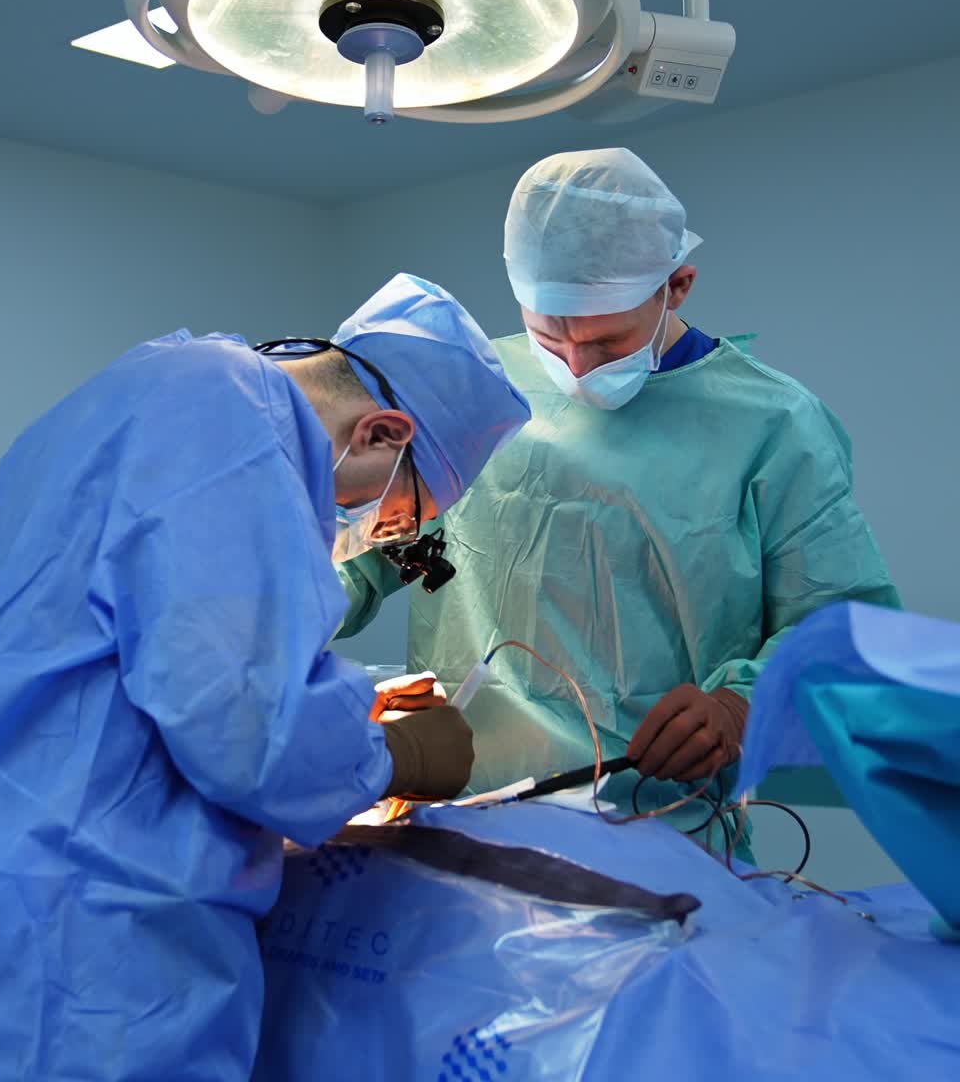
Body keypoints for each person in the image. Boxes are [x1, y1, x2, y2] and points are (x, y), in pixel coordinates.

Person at [0, 273, 530, 1081]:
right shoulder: (229, 424)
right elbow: (251, 733)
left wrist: (329, 713)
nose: (365, 536)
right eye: (394, 520)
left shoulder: (127, 399)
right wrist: (395, 755)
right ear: (383, 432)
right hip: (89, 962)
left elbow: (147, 673)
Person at [337, 150, 900, 846]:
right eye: (550, 337)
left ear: (679, 285)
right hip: (459, 814)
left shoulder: (775, 426)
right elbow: (356, 556)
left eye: (606, 342)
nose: (574, 369)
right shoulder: (475, 389)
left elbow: (846, 631)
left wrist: (738, 707)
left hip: (664, 827)